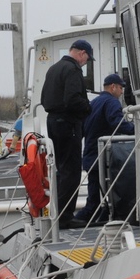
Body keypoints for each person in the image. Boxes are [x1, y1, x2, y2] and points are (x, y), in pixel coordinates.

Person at [40, 39, 93, 228]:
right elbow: (72, 99)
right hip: (68, 124)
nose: (86, 63)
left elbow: (43, 98)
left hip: (53, 122)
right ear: (81, 53)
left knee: (61, 170)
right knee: (71, 171)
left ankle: (58, 213)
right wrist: (88, 108)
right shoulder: (72, 70)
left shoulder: (53, 69)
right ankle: (65, 217)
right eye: (87, 58)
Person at [74, 73, 134, 225]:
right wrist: (137, 129)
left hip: (90, 155)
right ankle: (81, 220)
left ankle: (95, 218)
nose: (121, 92)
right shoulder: (112, 102)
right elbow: (117, 123)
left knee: (96, 196)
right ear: (113, 87)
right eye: (120, 88)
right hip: (101, 157)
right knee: (97, 200)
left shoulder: (94, 103)